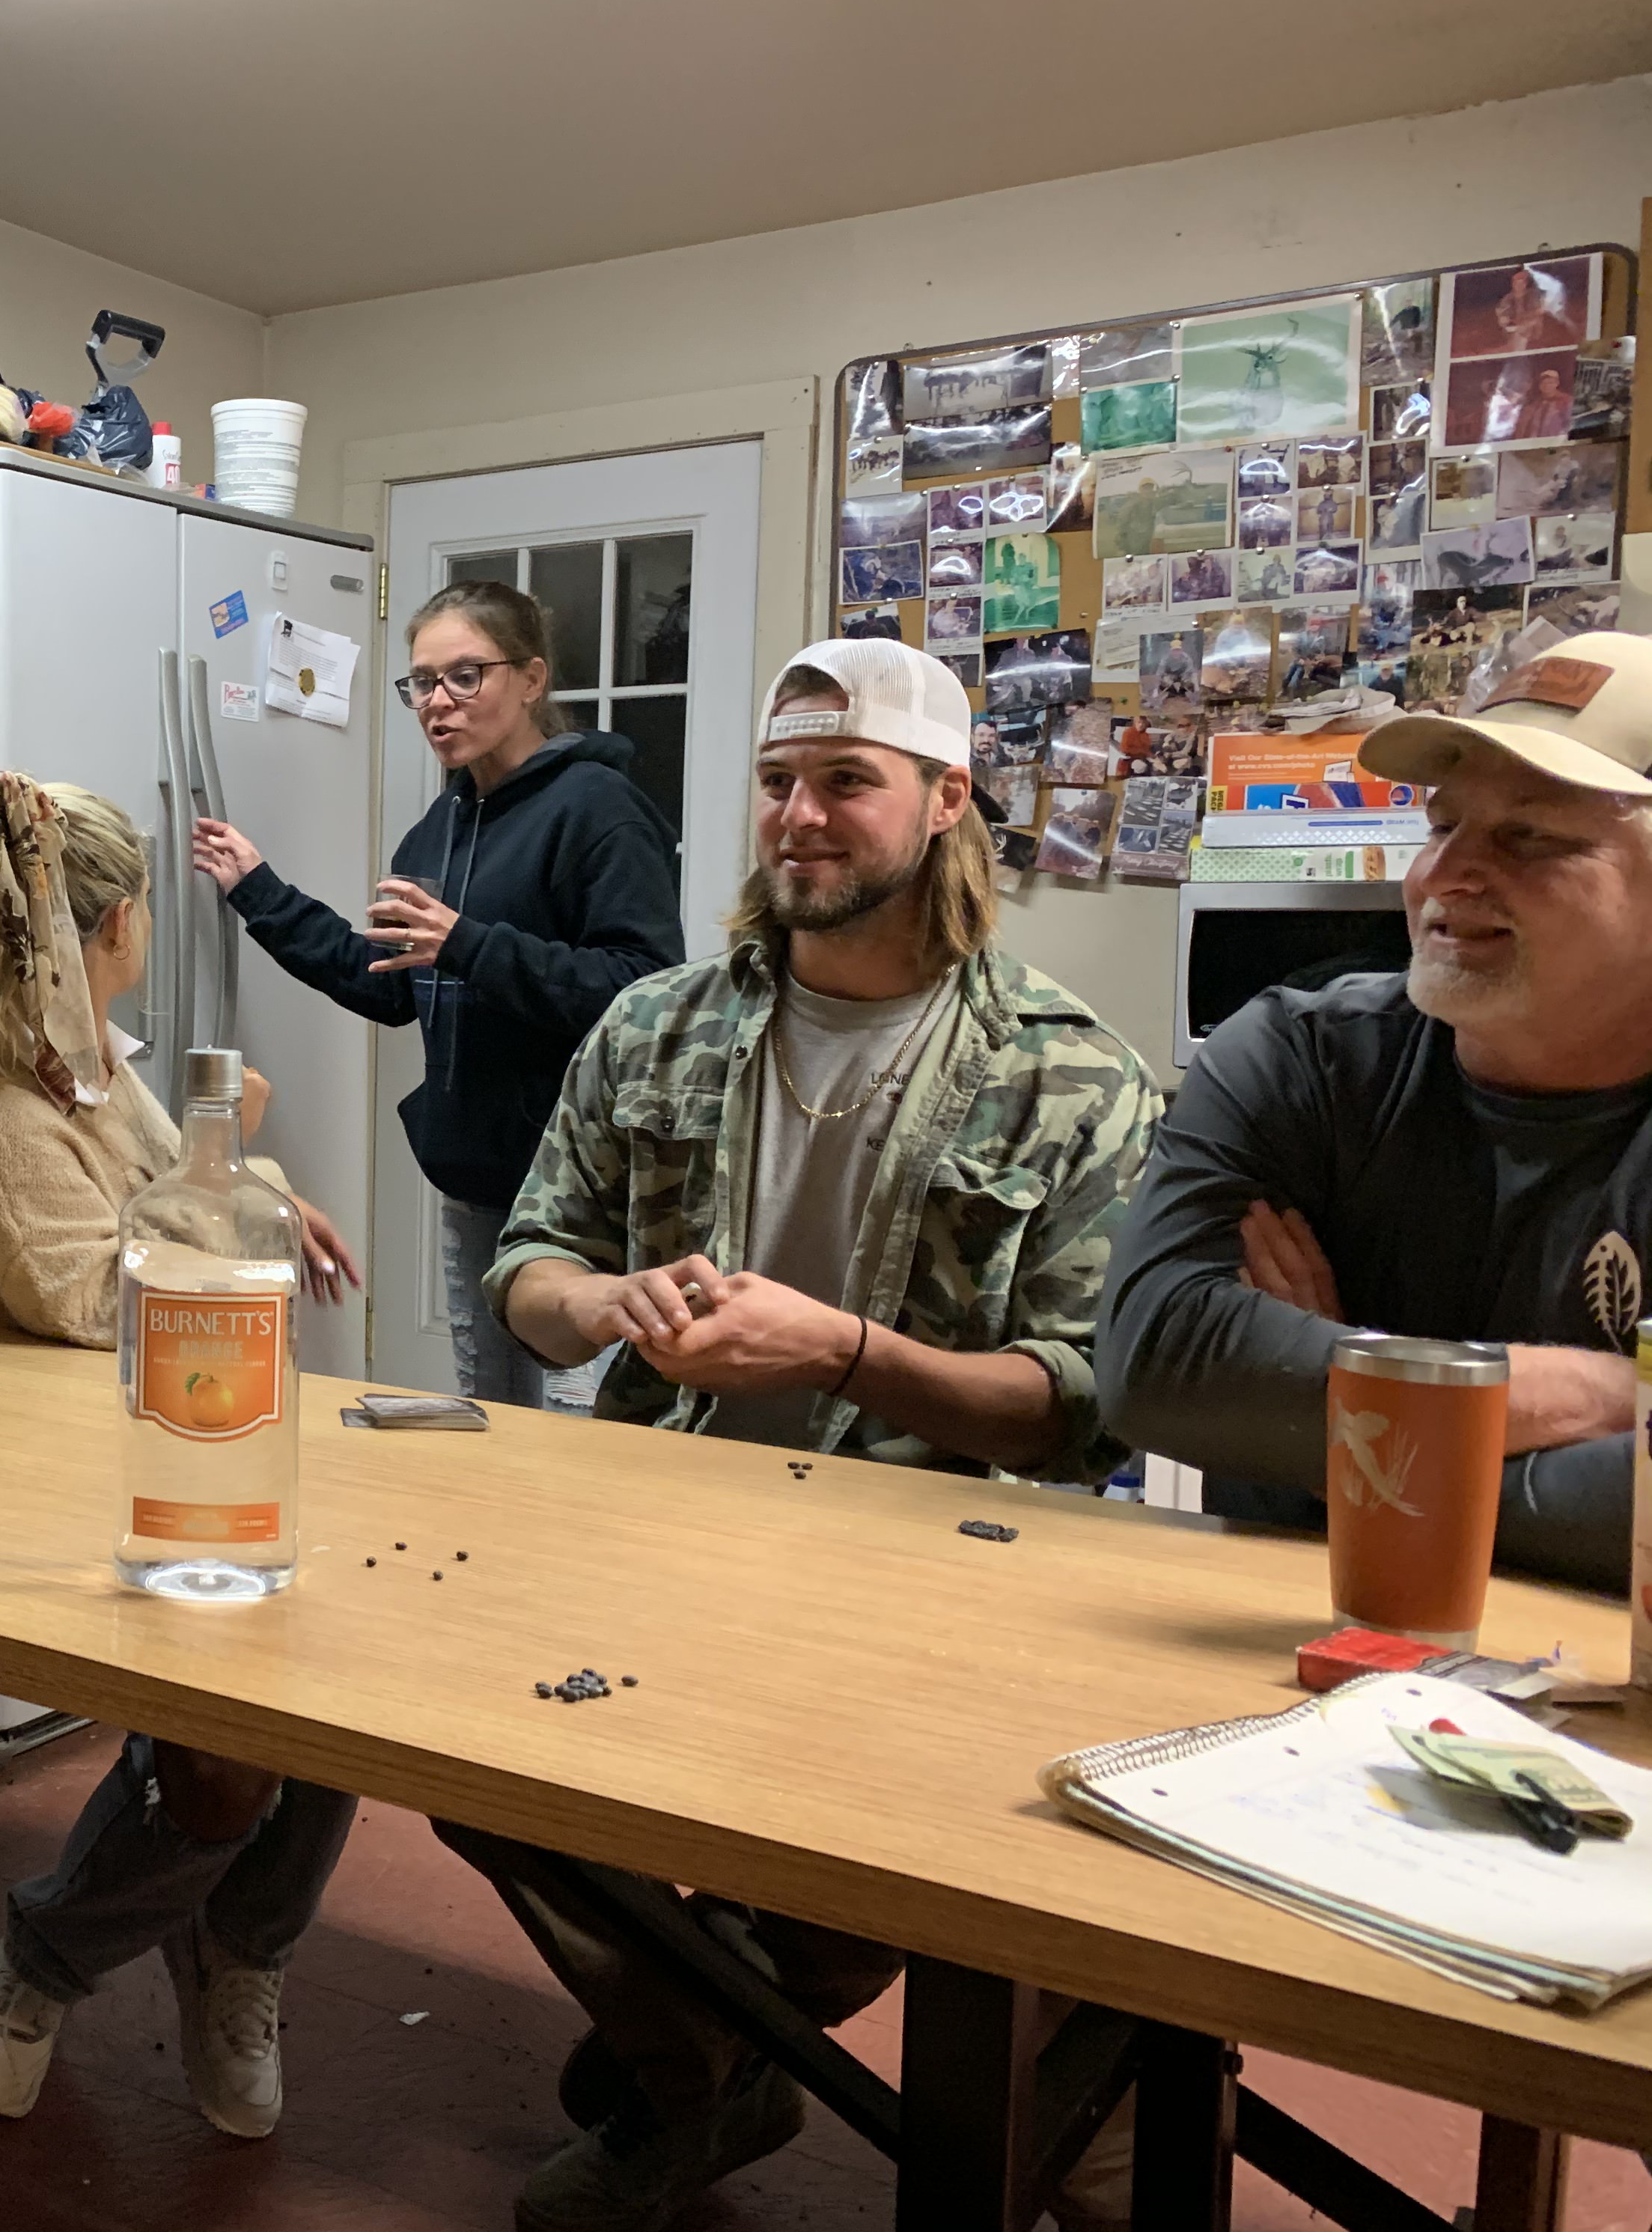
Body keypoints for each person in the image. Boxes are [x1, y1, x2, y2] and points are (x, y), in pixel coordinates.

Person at [439, 638, 1163, 2232]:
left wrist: (847, 1351)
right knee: (460, 1752)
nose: (801, 817)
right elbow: (529, 1265)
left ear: (947, 801)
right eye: (779, 782)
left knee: (886, 1845)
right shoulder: (653, 1028)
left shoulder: (1075, 1079)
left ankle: (687, 2059)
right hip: (663, 1525)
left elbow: (1078, 1409)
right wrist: (608, 1303)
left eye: (847, 781)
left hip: (928, 1577)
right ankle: (719, 2060)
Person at [0, 771, 361, 2141]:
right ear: (109, 924)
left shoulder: (94, 1077)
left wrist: (254, 1181)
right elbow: (109, 1302)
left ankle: (241, 1957)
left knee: (334, 1698)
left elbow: (185, 1204)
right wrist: (249, 1183)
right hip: (79, 1493)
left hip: (184, 1453)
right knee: (226, 1768)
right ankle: (39, 1966)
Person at [1100, 632, 1652, 1592]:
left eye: (1528, 837)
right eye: (1442, 827)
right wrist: (1592, 1397)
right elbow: (1161, 1359)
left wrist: (1340, 1400)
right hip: (1270, 1654)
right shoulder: (1300, 1055)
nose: (1446, 876)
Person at [190, 580, 685, 1408]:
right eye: (422, 682)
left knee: (578, 1437)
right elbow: (390, 988)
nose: (438, 703)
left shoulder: (599, 811)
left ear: (531, 679)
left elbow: (643, 991)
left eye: (466, 676)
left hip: (578, 1189)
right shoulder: (442, 826)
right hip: (474, 1177)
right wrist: (259, 891)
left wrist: (469, 943)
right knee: (489, 1417)